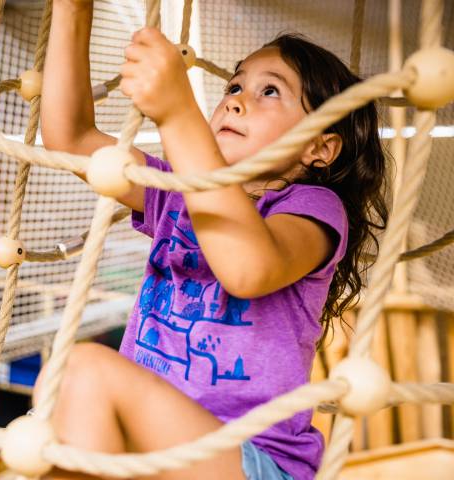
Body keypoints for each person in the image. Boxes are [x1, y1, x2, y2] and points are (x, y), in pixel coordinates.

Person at [36, 1, 388, 479]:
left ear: (319, 148)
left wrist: (180, 113)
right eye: (235, 86)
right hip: (154, 450)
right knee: (54, 417)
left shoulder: (311, 209)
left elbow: (248, 268)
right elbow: (71, 138)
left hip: (252, 460)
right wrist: (72, 9)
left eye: (270, 91)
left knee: (82, 368)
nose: (238, 99)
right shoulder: (176, 192)